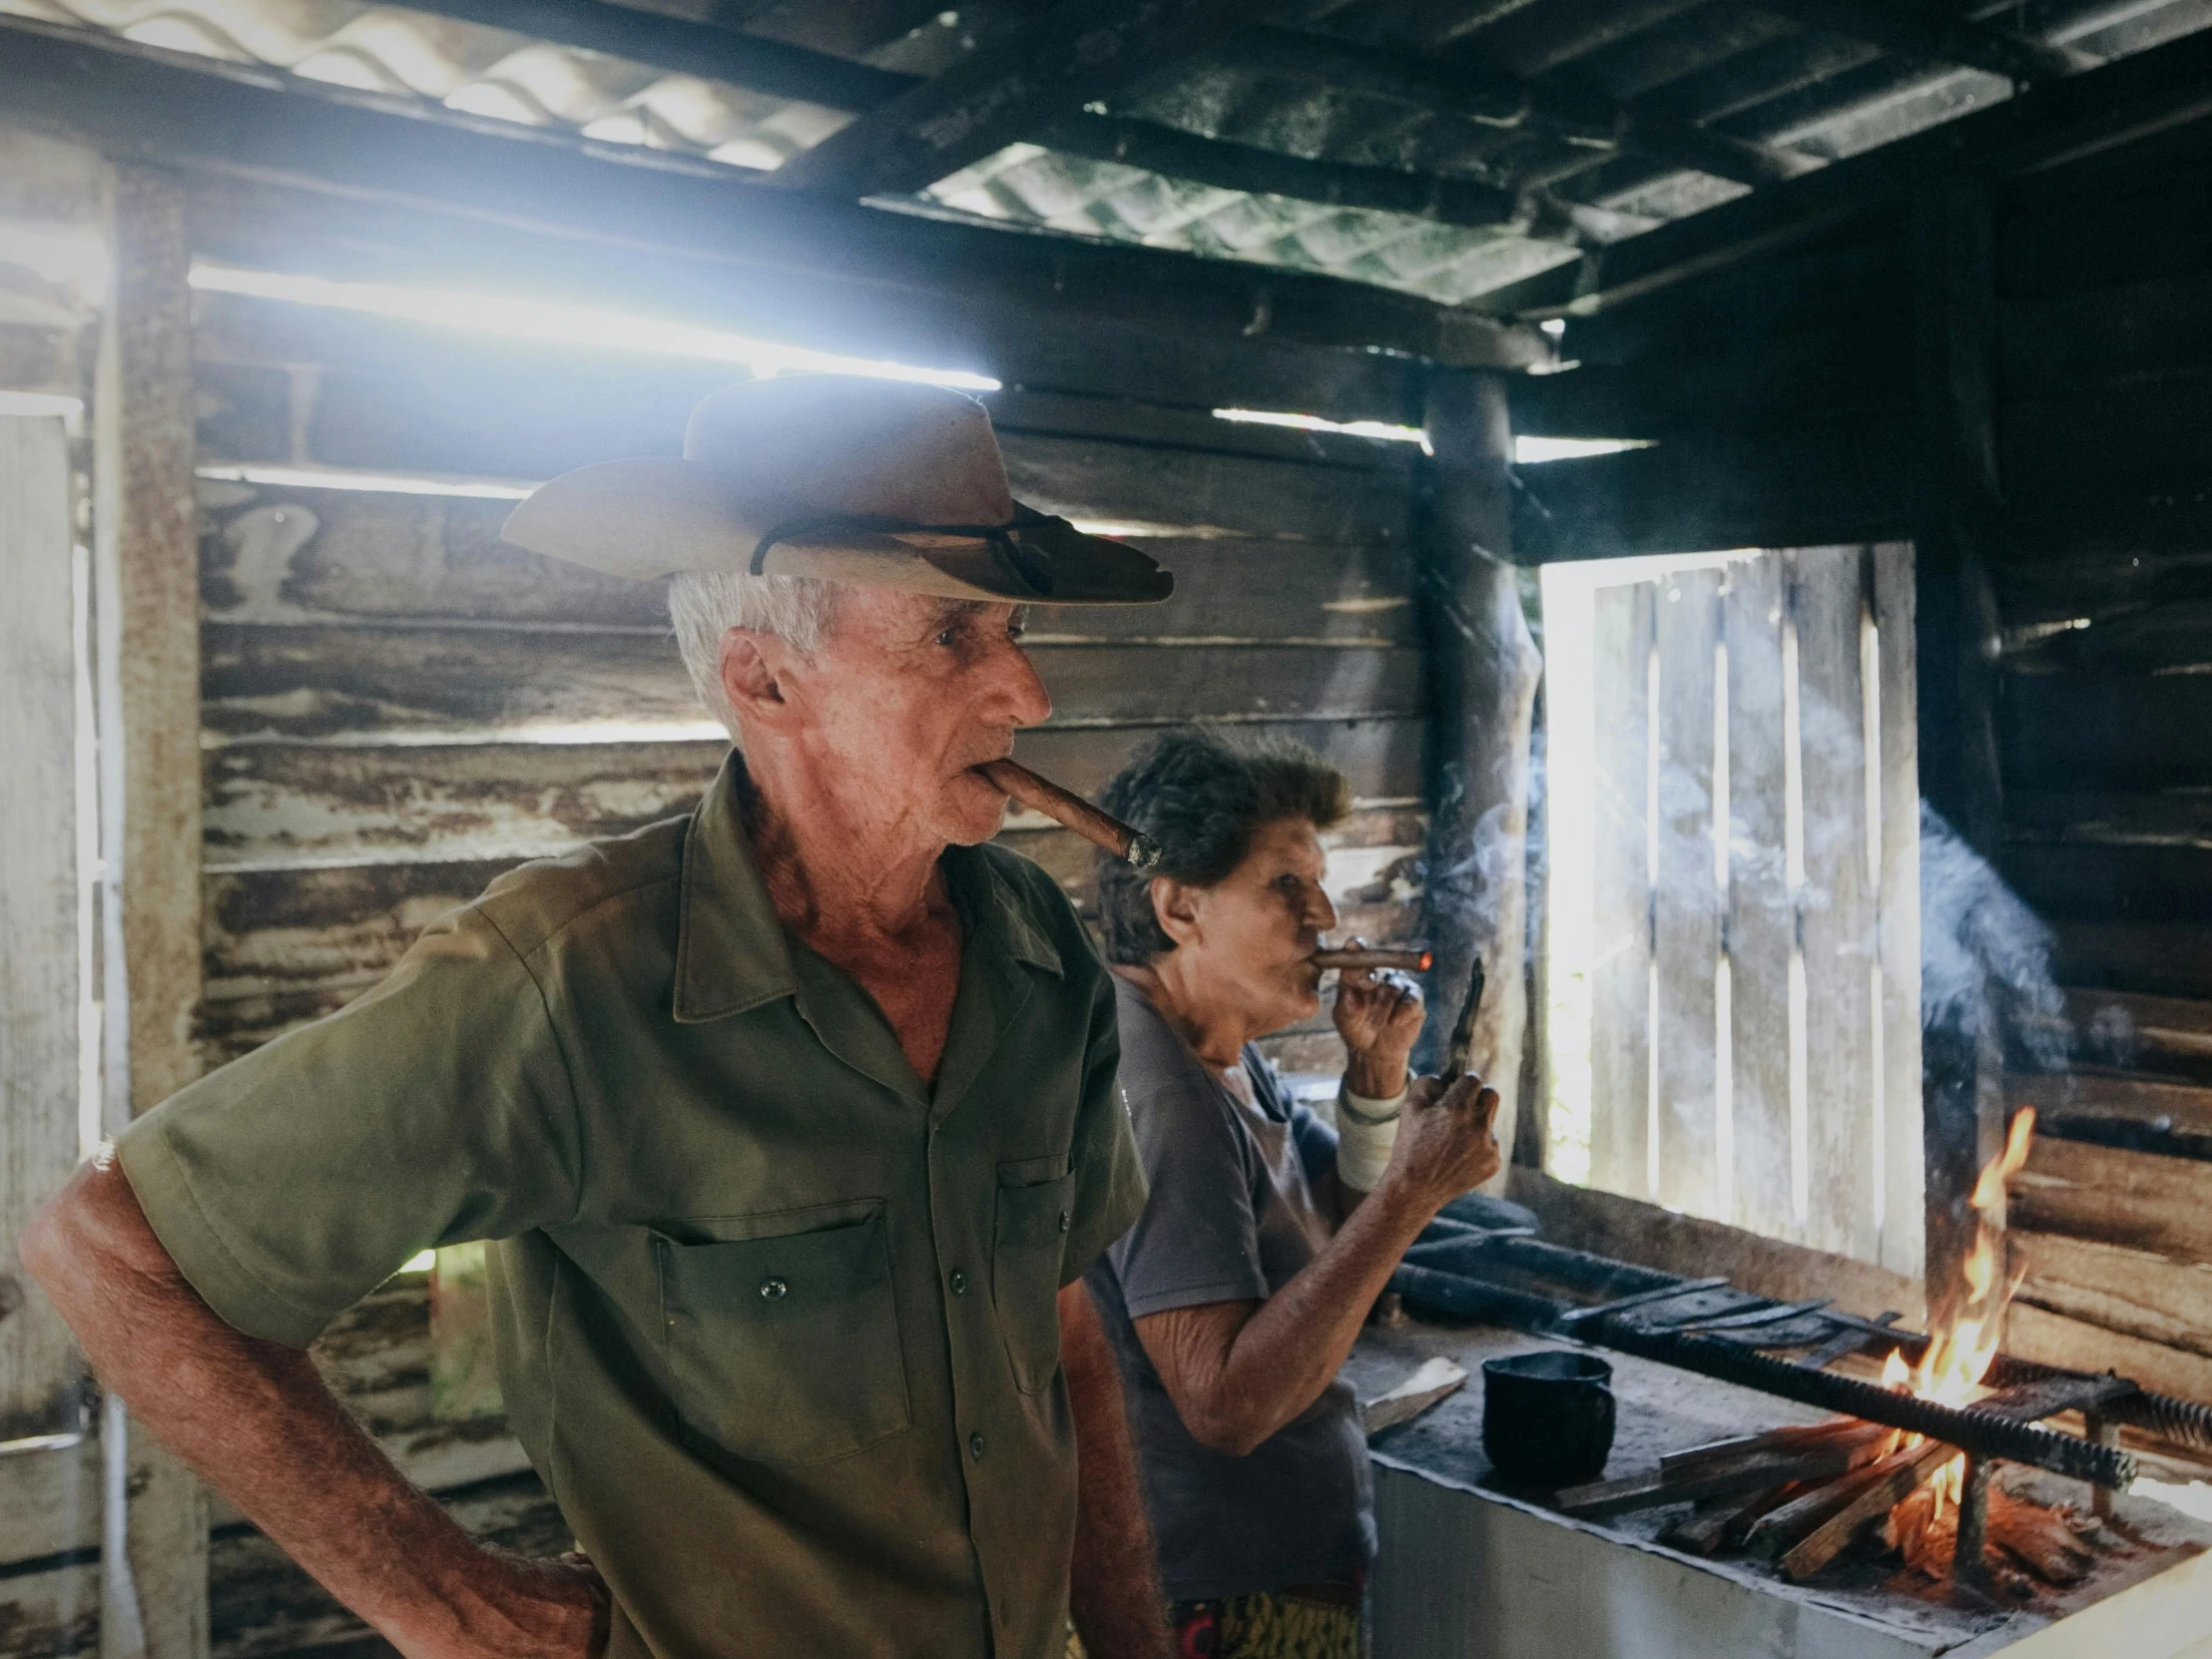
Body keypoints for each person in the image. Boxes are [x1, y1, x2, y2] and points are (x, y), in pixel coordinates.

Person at [24, 376, 1185, 1659]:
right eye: (954, 637)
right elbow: (112, 1250)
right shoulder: (570, 979)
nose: (1025, 691)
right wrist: (457, 1608)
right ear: (767, 681)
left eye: (1013, 628)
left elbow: (1063, 1339)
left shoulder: (1037, 955)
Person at [1084, 730, 1505, 1659]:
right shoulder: (1154, 1088)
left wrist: (1377, 1080)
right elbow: (1225, 1404)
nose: (1327, 917)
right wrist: (1414, 1191)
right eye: (1286, 888)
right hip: (1212, 1593)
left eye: (1323, 885)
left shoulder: (1226, 1054)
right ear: (1179, 906)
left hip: (1261, 1566)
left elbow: (1335, 1240)